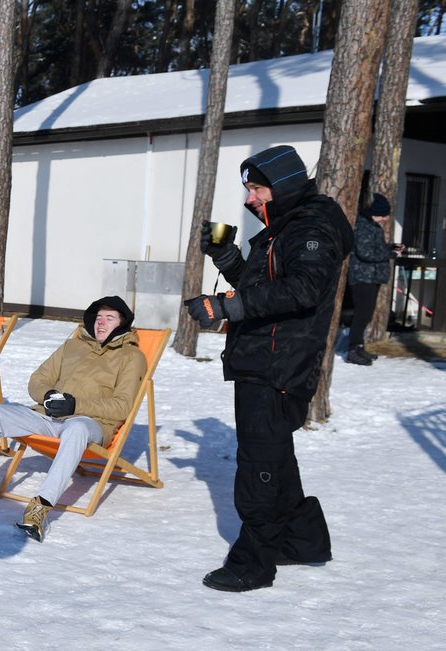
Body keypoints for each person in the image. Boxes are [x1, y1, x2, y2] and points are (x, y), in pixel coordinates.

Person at [185, 145, 353, 592]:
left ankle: (254, 563)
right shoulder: (283, 228)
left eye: (256, 188)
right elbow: (265, 288)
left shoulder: (312, 227)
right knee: (275, 457)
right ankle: (303, 541)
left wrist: (225, 306)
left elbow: (303, 290)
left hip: (279, 365)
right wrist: (227, 260)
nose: (249, 199)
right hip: (265, 358)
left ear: (283, 186)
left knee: (258, 464)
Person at [0, 296, 146, 542]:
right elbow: (37, 380)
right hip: (48, 415)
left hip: (90, 422)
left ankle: (41, 506)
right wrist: (48, 395)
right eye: (99, 317)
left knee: (77, 428)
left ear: (122, 323)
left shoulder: (131, 357)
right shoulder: (72, 346)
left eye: (109, 318)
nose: (101, 323)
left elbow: (122, 406)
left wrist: (76, 405)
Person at [346, 193, 403, 365]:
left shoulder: (373, 226)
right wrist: (390, 253)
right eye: (384, 215)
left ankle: (358, 347)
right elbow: (366, 253)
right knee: (362, 315)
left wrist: (391, 247)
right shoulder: (363, 226)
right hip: (363, 277)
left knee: (366, 314)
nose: (386, 219)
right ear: (376, 213)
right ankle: (352, 350)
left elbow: (375, 247)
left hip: (372, 277)